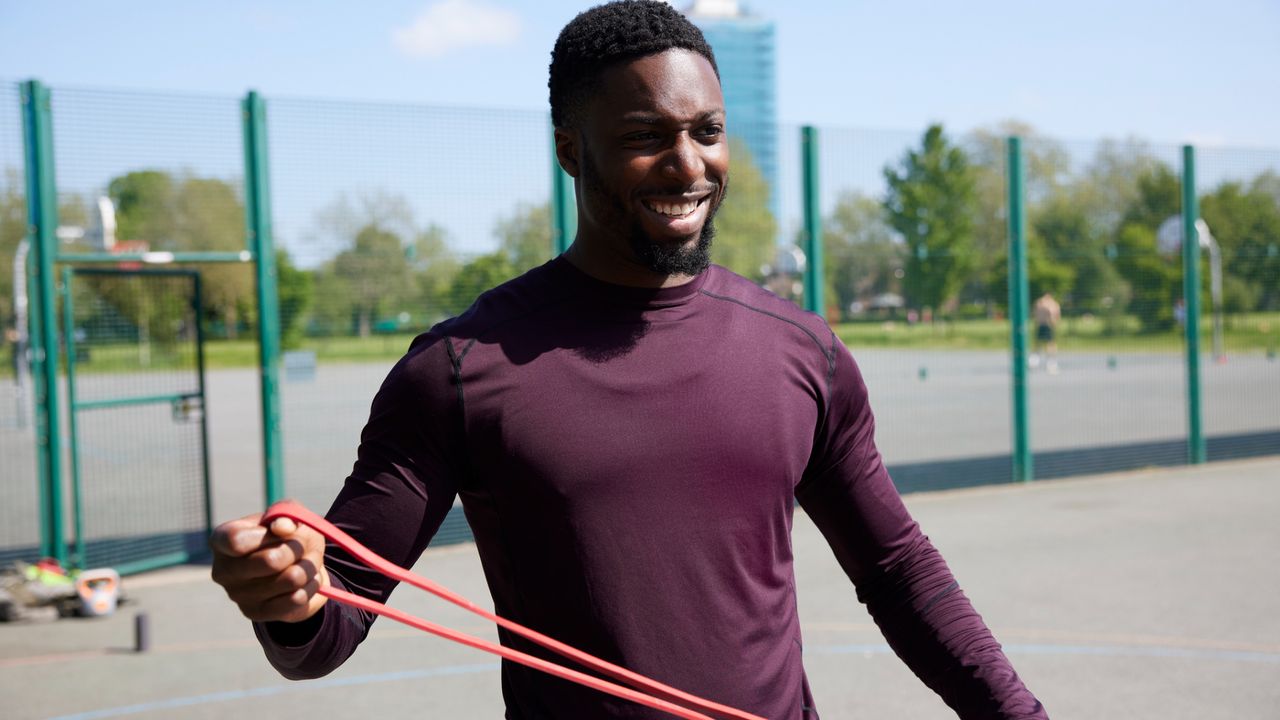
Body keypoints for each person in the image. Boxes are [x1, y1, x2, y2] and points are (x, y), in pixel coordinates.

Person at [210, 2, 1047, 717]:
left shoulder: (804, 352)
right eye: (647, 137)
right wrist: (284, 601)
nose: (689, 166)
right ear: (572, 150)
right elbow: (325, 632)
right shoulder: (460, 369)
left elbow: (898, 571)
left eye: (707, 132)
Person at [1032, 292, 1061, 374]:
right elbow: (1053, 313)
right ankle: (1048, 362)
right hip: (1046, 325)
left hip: (1043, 325)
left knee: (1043, 343)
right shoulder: (1049, 303)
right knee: (1047, 343)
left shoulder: (1040, 303)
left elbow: (1035, 313)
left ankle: (1038, 361)